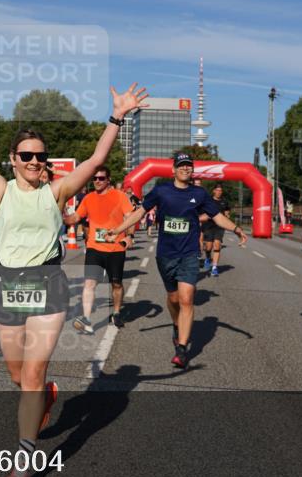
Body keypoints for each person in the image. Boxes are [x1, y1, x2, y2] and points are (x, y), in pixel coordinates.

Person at [0, 60, 147, 477]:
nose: (34, 161)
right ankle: (45, 396)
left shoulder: (57, 191)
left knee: (34, 370)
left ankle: (23, 464)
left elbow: (99, 158)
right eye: (26, 155)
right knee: (17, 375)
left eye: (40, 156)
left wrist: (117, 115)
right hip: (5, 284)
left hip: (47, 283)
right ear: (13, 159)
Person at [105, 153, 248, 370]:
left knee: (187, 299)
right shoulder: (161, 191)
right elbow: (139, 213)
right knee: (173, 298)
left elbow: (217, 216)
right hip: (166, 254)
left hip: (189, 253)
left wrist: (237, 229)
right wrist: (117, 231)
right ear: (173, 170)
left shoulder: (199, 193)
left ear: (192, 170)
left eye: (189, 166)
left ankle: (181, 349)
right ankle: (176, 324)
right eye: (181, 166)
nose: (185, 169)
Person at [65, 164, 135, 332]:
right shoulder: (89, 198)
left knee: (116, 283)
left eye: (101, 178)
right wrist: (62, 217)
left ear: (108, 180)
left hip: (115, 249)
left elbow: (130, 217)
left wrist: (129, 236)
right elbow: (76, 217)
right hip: (94, 248)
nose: (97, 181)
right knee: (89, 283)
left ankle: (116, 312)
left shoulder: (119, 196)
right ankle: (86, 319)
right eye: (95, 178)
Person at [201, 184, 232, 277]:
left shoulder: (224, 202)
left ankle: (214, 268)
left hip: (219, 226)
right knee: (208, 247)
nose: (219, 192)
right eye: (217, 190)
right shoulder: (208, 200)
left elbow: (227, 212)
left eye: (220, 191)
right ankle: (207, 258)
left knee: (217, 245)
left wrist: (227, 218)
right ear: (214, 191)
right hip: (208, 225)